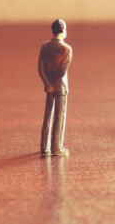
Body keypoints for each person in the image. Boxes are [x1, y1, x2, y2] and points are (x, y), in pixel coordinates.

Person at [38, 19, 72, 156]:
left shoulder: (44, 47)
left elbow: (40, 68)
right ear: (63, 30)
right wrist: (54, 84)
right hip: (60, 87)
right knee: (59, 117)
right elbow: (62, 71)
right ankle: (56, 148)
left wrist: (47, 84)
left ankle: (44, 146)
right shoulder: (67, 49)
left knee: (47, 116)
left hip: (50, 87)